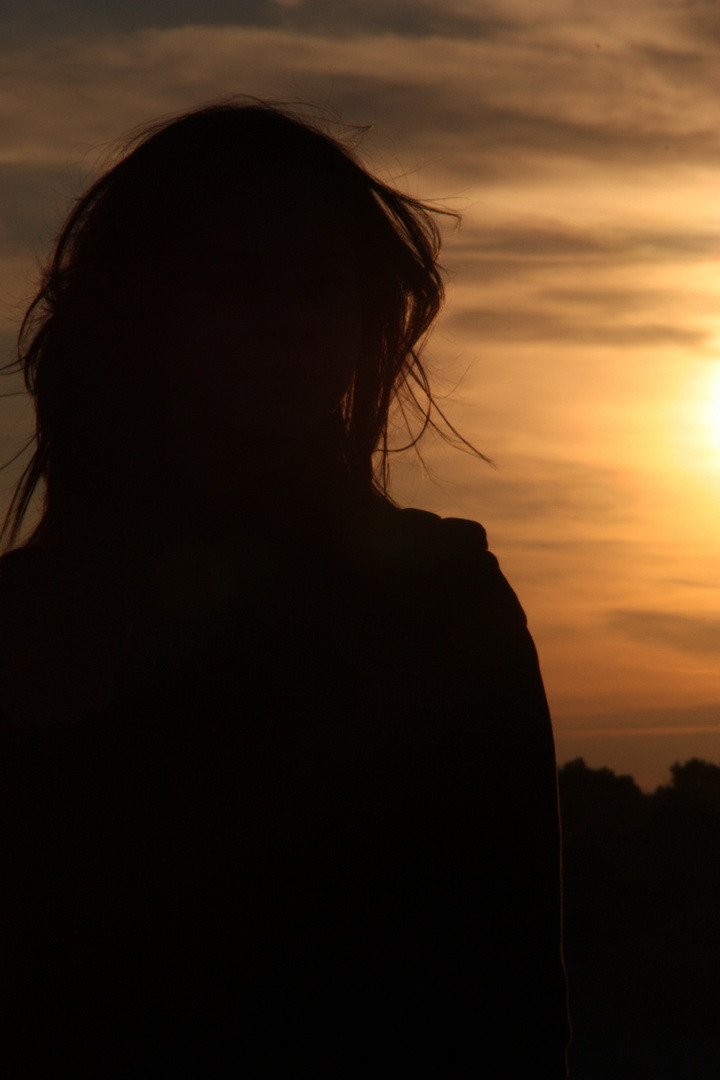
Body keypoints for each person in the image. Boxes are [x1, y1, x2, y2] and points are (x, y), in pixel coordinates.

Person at [0, 100, 570, 1074]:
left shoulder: (441, 605)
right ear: (142, 312)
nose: (288, 323)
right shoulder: (29, 613)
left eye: (323, 285)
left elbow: (506, 981)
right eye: (233, 281)